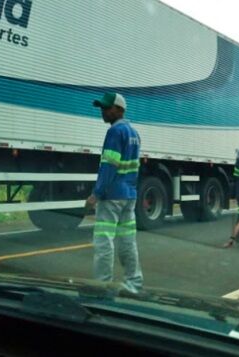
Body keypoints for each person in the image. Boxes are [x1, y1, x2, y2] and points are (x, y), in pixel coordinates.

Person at [85, 92, 143, 293]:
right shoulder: (134, 133)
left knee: (103, 241)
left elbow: (110, 165)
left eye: (107, 108)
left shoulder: (114, 132)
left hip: (111, 196)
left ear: (119, 109)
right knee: (127, 240)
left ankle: (102, 285)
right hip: (129, 195)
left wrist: (96, 194)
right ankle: (134, 283)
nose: (103, 111)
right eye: (102, 107)